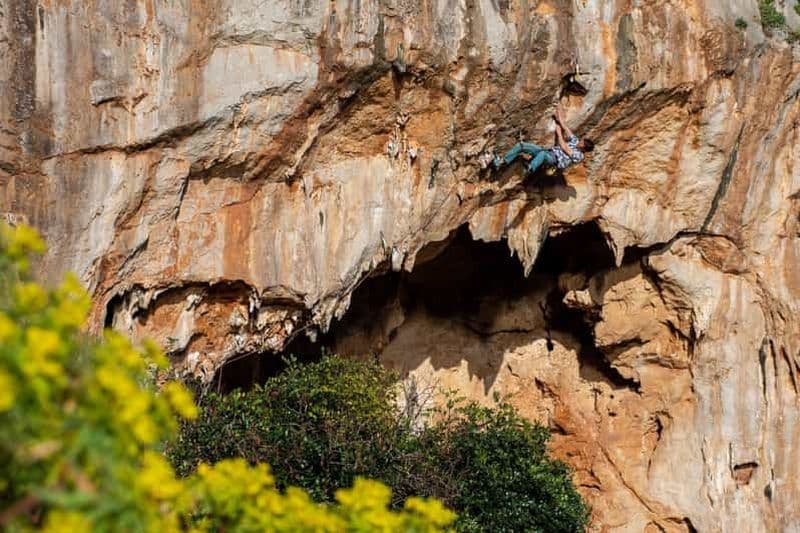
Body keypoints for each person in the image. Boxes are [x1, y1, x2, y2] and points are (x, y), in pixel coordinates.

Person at [486, 104, 594, 175]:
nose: (580, 141)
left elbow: (564, 147)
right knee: (522, 146)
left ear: (583, 146)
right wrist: (559, 113)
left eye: (582, 142)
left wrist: (559, 133)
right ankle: (500, 162)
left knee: (542, 154)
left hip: (553, 160)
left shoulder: (579, 156)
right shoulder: (575, 141)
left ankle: (529, 168)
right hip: (548, 152)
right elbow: (565, 127)